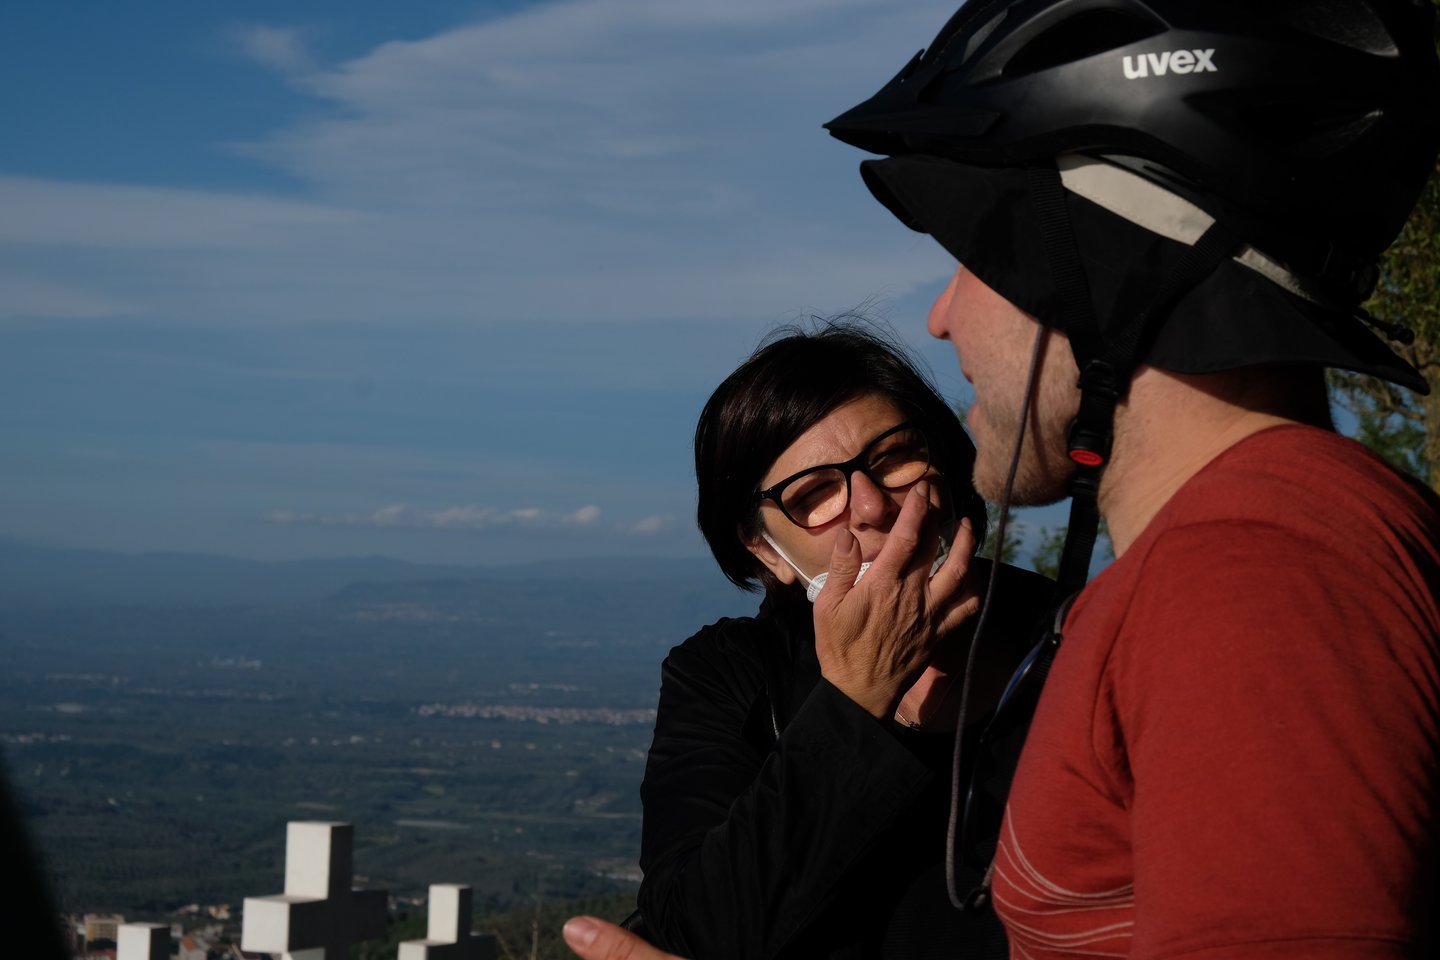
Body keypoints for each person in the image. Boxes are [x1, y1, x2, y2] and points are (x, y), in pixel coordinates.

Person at [566, 1, 1440, 957]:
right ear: (759, 545)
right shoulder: (1202, 579)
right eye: (810, 493)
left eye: (974, 256)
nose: (942, 317)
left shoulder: (1250, 581)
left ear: (1099, 273)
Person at [634, 324, 1053, 960]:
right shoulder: (730, 675)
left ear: (946, 467)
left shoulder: (1080, 638)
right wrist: (857, 698)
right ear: (765, 552)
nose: (870, 505)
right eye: (814, 494)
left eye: (892, 458)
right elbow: (693, 932)